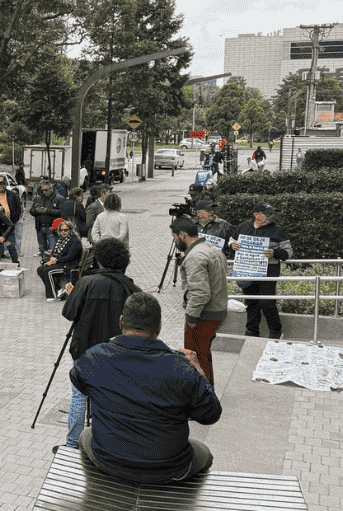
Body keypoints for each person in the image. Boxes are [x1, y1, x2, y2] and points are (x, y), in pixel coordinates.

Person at [71, 292, 221, 484]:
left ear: (121, 322)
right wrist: (198, 368)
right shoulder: (182, 368)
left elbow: (79, 383)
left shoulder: (94, 357)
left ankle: (95, 490)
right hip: (169, 468)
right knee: (204, 453)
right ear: (159, 327)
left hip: (109, 461)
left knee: (85, 434)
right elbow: (210, 415)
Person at [60, 238, 138, 450]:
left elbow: (69, 313)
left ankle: (72, 445)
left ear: (100, 261)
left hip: (84, 351)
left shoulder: (87, 282)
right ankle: (101, 443)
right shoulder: (132, 289)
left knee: (79, 396)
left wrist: (72, 295)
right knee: (107, 398)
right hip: (117, 356)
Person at [171, 218, 227, 383]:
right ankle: (207, 392)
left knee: (195, 359)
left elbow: (201, 293)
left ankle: (203, 397)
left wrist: (190, 316)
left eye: (175, 237)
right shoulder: (213, 249)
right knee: (203, 356)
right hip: (216, 312)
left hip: (204, 315)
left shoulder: (195, 256)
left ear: (183, 235)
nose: (175, 241)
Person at [231, 202, 292, 338]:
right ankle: (251, 332)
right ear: (256, 215)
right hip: (247, 269)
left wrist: (275, 252)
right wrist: (232, 245)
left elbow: (289, 252)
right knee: (251, 302)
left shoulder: (278, 230)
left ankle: (276, 332)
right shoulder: (243, 227)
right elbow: (231, 239)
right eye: (268, 213)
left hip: (269, 271)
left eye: (272, 213)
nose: (272, 216)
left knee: (267, 302)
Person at [38, 219, 83, 301]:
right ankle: (58, 289)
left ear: (70, 230)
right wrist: (51, 258)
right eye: (61, 230)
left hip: (69, 265)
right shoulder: (60, 239)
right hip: (60, 263)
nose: (63, 232)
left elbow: (70, 257)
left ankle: (53, 295)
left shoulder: (75, 241)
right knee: (41, 269)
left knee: (48, 271)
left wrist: (56, 260)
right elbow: (54, 251)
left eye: (65, 230)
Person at [29, 181, 65, 261]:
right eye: (43, 190)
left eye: (46, 190)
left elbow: (62, 213)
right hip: (40, 227)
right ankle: (44, 263)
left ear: (51, 189)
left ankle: (52, 264)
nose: (44, 192)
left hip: (52, 228)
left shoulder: (59, 198)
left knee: (52, 250)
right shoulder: (38, 198)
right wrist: (36, 211)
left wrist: (47, 211)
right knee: (42, 250)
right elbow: (31, 211)